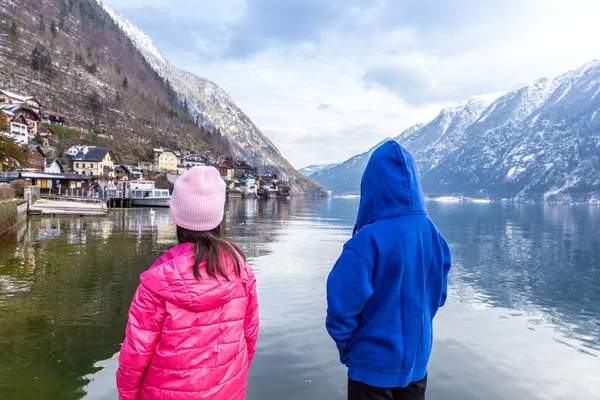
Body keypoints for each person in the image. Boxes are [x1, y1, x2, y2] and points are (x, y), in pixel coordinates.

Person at [116, 166, 259, 400]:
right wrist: (234, 378)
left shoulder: (156, 283)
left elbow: (135, 355)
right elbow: (249, 337)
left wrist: (127, 397)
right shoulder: (240, 270)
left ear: (177, 216)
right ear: (217, 217)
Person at [326, 141, 451, 400]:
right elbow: (438, 297)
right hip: (416, 366)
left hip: (370, 370)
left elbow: (341, 308)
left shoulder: (366, 241)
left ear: (372, 186)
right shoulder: (436, 237)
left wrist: (349, 349)